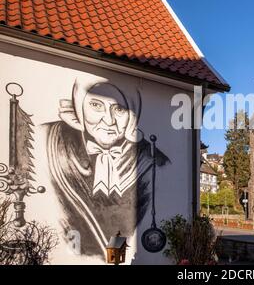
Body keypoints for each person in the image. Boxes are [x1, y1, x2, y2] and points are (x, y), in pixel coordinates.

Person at [43, 79, 169, 257]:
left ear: (133, 116)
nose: (109, 120)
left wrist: (113, 258)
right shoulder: (48, 140)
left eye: (119, 109)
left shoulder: (153, 160)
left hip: (115, 252)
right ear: (79, 108)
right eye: (96, 105)